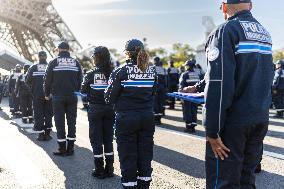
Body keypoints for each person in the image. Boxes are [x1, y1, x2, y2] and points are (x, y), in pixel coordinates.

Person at [183, 0, 274, 188]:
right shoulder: (264, 33)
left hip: (233, 124)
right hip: (259, 119)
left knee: (223, 182)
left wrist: (212, 130)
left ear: (224, 6)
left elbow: (220, 82)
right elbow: (248, 71)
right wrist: (199, 86)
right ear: (250, 5)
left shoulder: (225, 30)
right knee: (246, 179)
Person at [105, 39, 156, 189]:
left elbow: (109, 98)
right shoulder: (152, 71)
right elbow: (153, 93)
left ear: (127, 53)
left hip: (126, 118)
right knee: (145, 156)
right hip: (147, 117)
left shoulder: (120, 71)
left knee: (128, 157)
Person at [81, 46, 115, 179]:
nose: (93, 59)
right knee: (108, 139)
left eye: (94, 56)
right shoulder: (113, 72)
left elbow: (83, 90)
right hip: (110, 109)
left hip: (95, 109)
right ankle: (110, 168)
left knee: (96, 139)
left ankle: (99, 169)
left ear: (97, 57)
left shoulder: (90, 74)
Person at [44, 42, 83, 156]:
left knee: (59, 122)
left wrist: (47, 94)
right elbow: (80, 79)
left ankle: (62, 148)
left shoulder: (53, 62)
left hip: (58, 96)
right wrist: (76, 91)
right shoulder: (76, 62)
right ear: (68, 49)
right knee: (72, 122)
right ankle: (70, 148)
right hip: (72, 96)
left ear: (59, 50)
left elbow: (47, 80)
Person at [26, 51, 53, 141]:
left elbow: (27, 81)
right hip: (49, 94)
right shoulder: (51, 66)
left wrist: (33, 91)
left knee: (38, 114)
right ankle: (48, 134)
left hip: (37, 95)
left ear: (38, 57)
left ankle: (41, 134)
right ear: (46, 57)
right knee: (48, 114)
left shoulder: (33, 67)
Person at [179, 59, 201, 133]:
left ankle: (188, 127)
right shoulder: (197, 74)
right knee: (194, 111)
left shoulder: (184, 74)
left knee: (187, 111)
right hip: (195, 96)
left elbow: (181, 86)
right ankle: (193, 126)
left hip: (187, 96)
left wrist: (180, 97)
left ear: (188, 66)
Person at [153, 56, 167, 125]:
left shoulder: (152, 68)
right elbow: (166, 80)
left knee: (155, 103)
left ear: (154, 61)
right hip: (162, 88)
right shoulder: (163, 69)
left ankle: (156, 120)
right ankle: (159, 119)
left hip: (154, 88)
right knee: (161, 103)